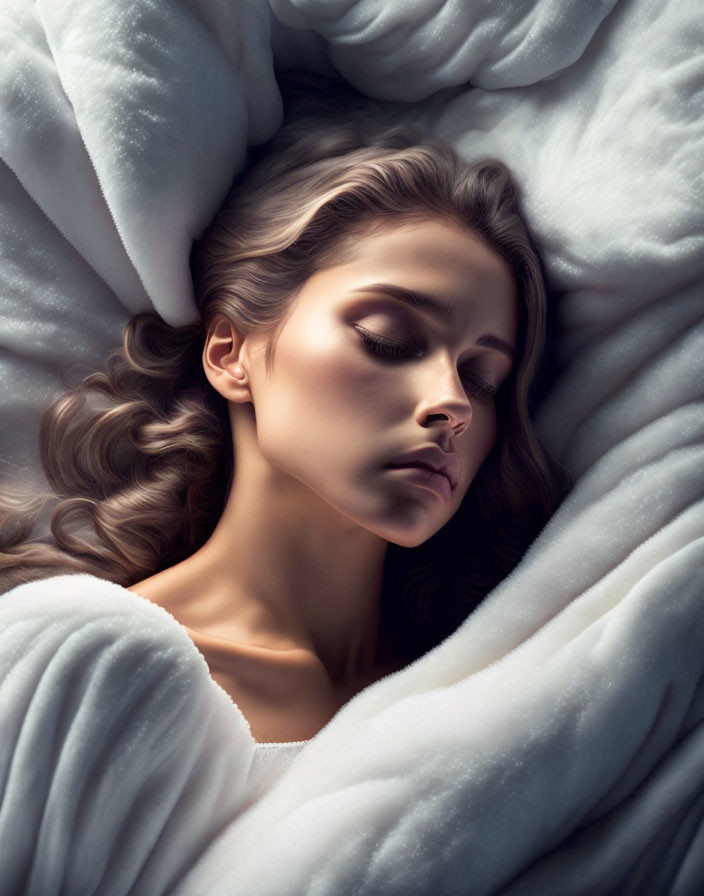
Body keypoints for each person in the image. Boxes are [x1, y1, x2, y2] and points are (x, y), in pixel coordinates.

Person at [0, 70, 566, 744]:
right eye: (390, 339)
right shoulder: (84, 670)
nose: (452, 404)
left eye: (484, 377)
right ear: (230, 352)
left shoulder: (501, 682)